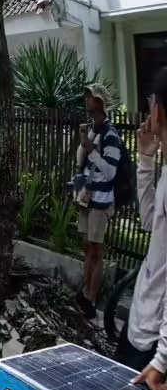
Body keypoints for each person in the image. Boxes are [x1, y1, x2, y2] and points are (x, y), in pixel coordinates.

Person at [126, 69, 167, 382]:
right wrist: (145, 159)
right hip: (144, 327)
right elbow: (150, 221)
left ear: (156, 110)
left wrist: (162, 360)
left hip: (154, 344)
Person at [74, 83, 123, 318]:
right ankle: (85, 295)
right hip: (87, 197)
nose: (87, 101)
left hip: (102, 199)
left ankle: (92, 301)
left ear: (100, 103)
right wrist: (84, 144)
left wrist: (91, 150)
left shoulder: (111, 135)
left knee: (96, 249)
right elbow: (83, 161)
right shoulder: (92, 130)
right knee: (87, 247)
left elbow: (111, 171)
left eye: (90, 97)